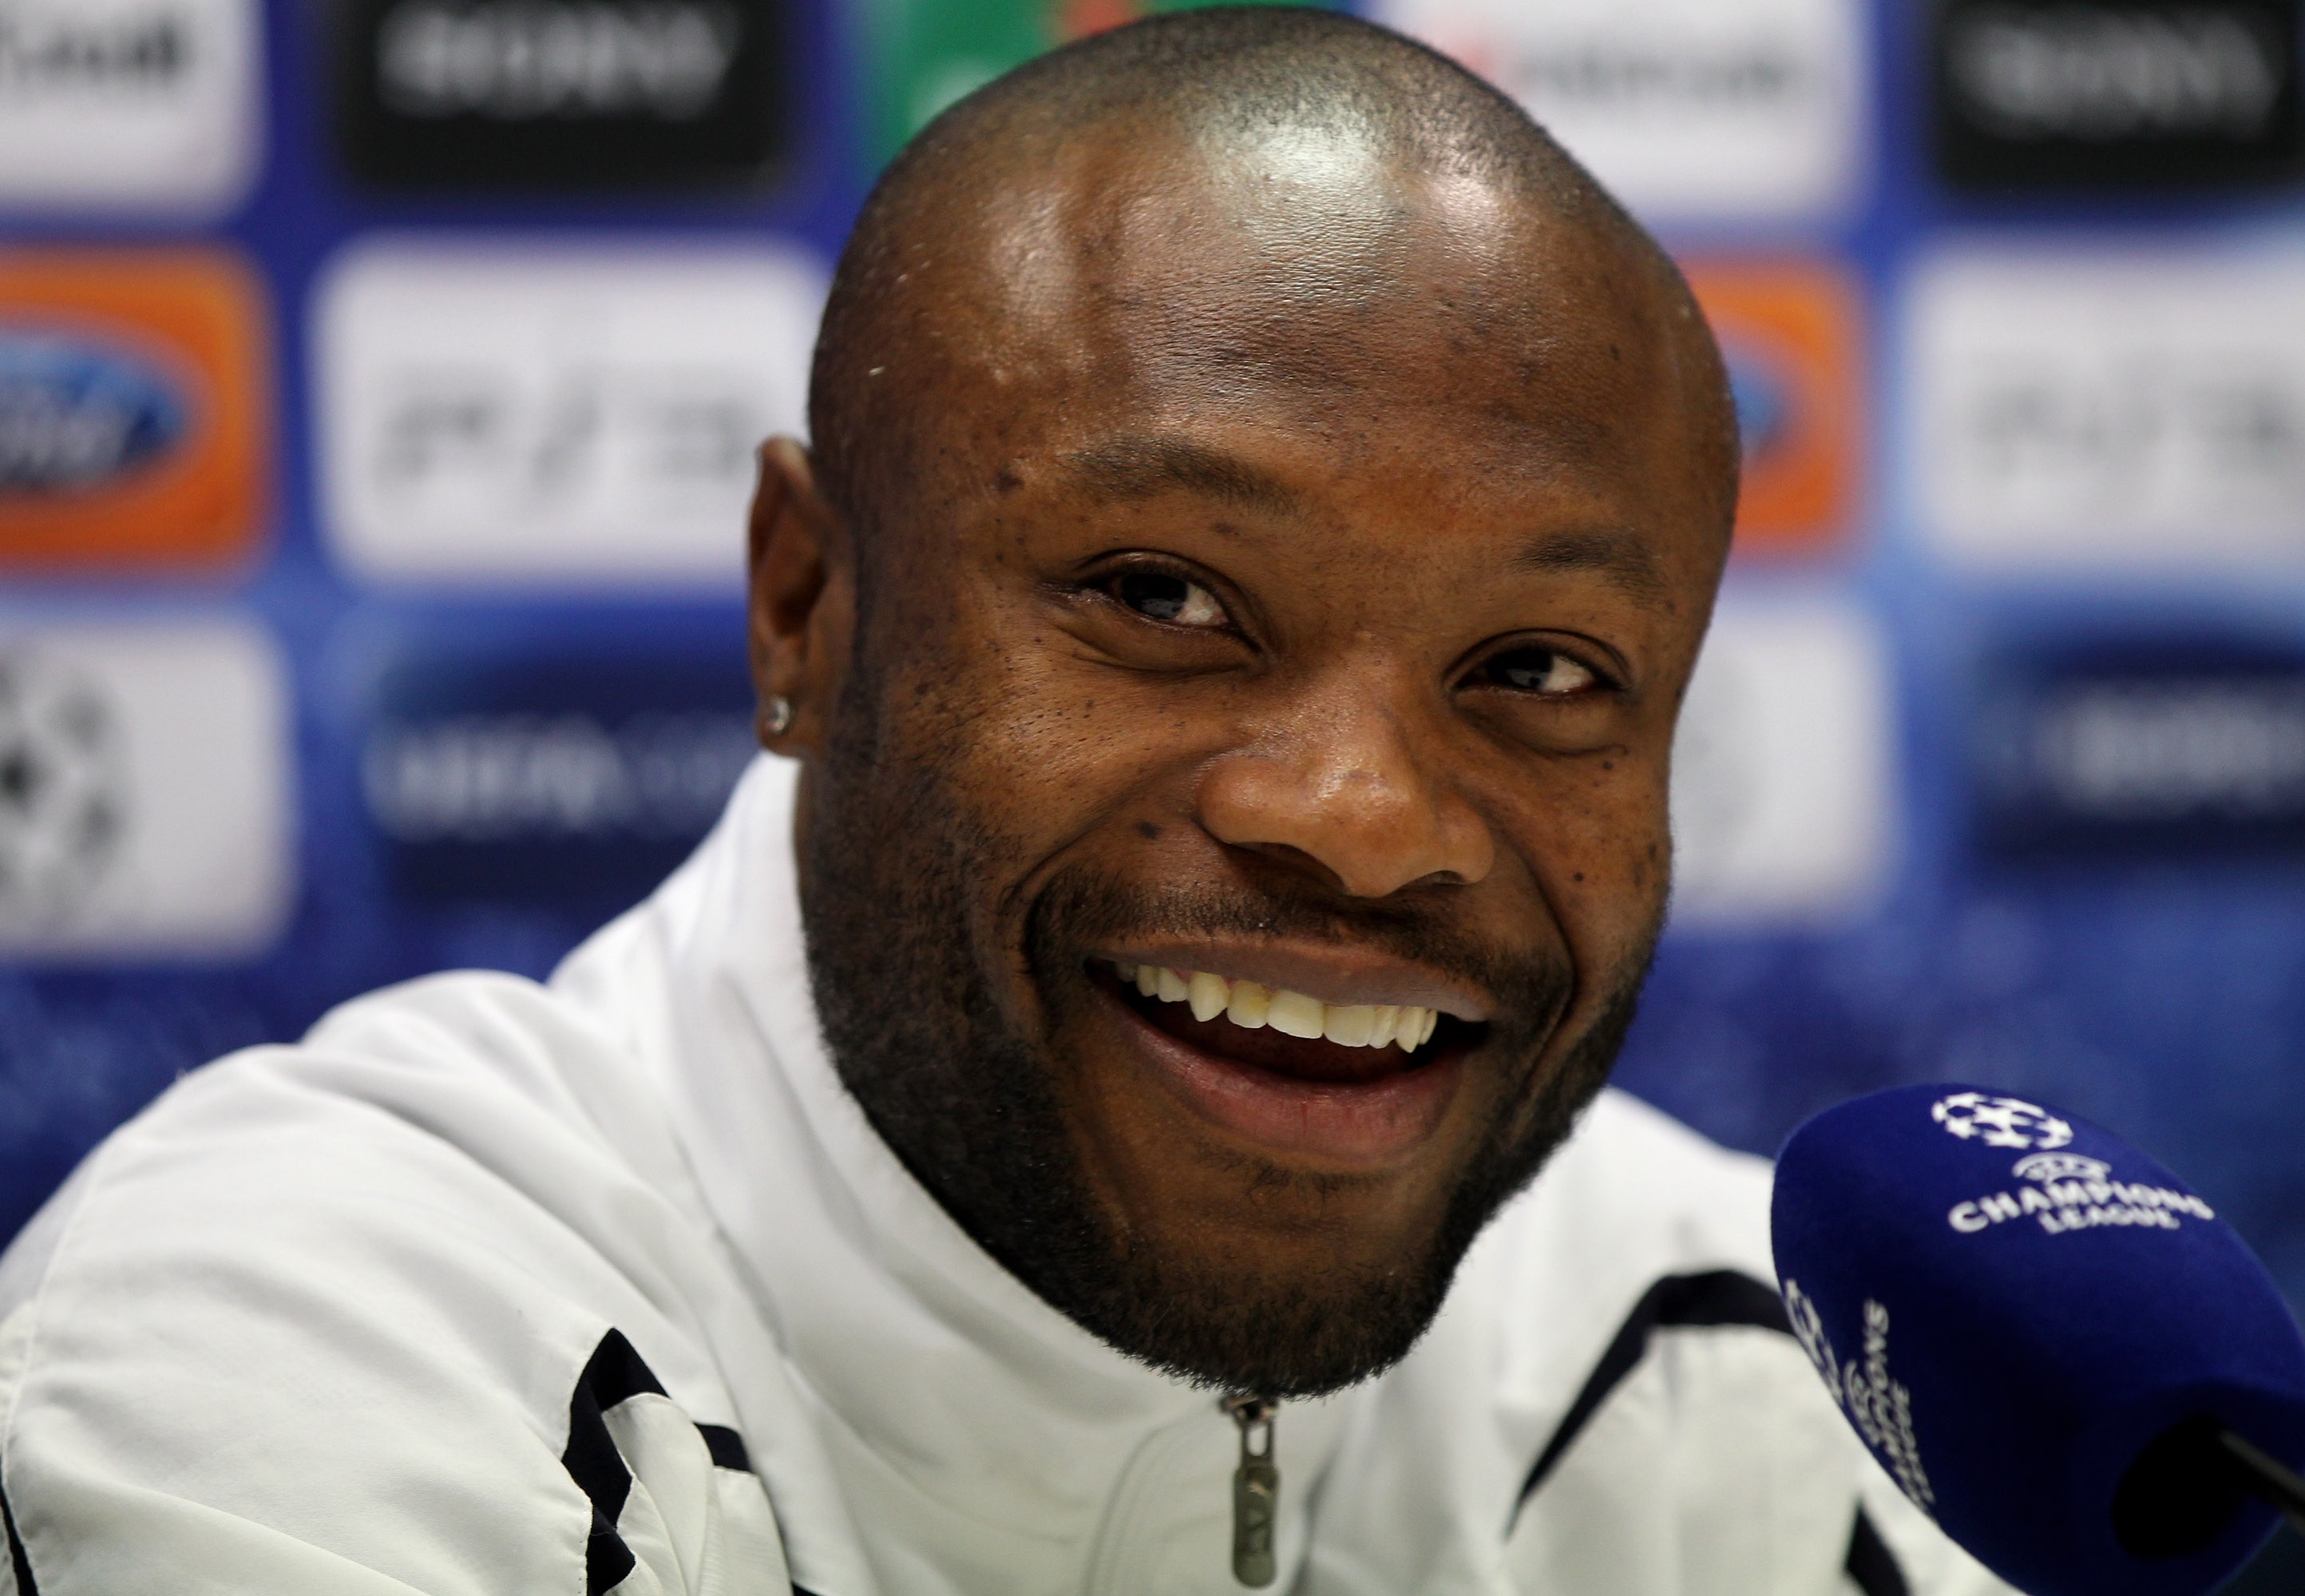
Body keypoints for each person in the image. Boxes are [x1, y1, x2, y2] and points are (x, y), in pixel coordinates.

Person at [0, 11, 2012, 1594]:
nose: (1370, 816)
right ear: (805, 603)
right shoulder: (307, 1332)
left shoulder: (1774, 1379)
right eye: (1165, 598)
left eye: (1541, 675)